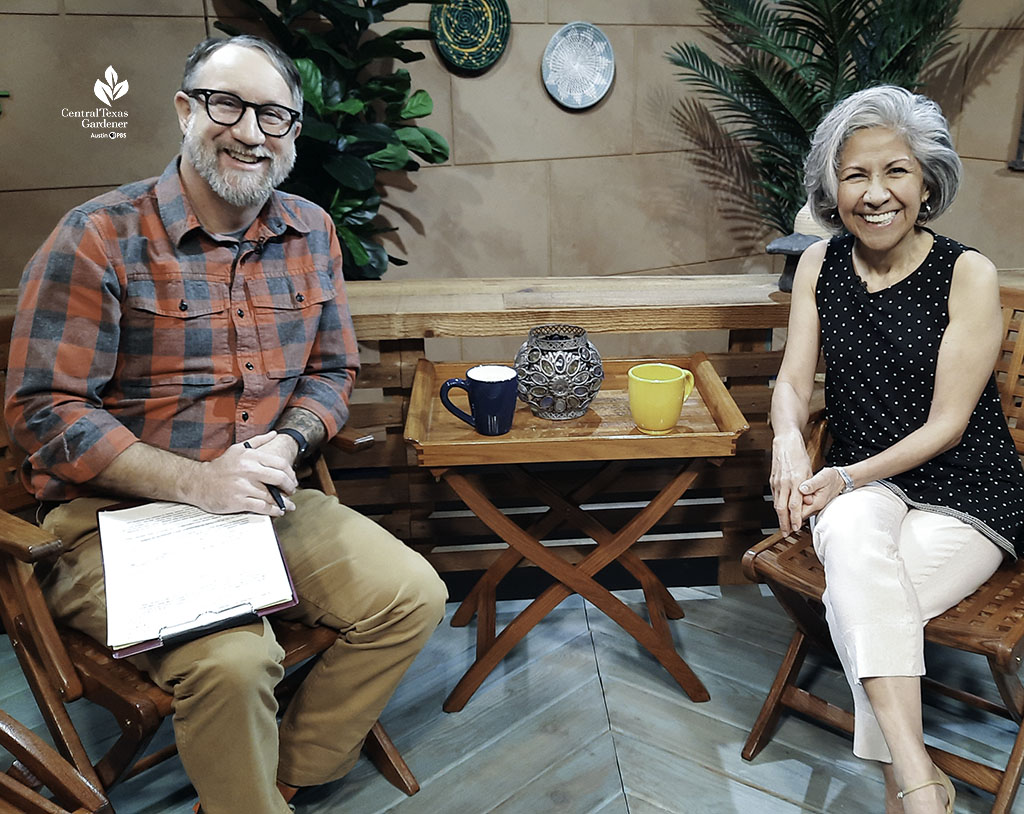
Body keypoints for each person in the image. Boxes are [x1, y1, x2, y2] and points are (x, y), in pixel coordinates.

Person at [4, 35, 447, 814]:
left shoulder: (311, 230)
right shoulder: (98, 236)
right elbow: (43, 413)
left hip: (260, 502)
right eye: (227, 104)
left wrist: (288, 440)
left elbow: (332, 373)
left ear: (293, 134)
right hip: (113, 521)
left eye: (273, 115)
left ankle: (278, 780)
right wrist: (195, 482)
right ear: (185, 110)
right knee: (235, 665)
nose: (250, 131)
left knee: (410, 594)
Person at [770, 85, 1024, 814]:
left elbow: (949, 423)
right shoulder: (821, 264)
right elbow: (791, 382)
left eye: (896, 172)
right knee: (857, 551)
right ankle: (921, 783)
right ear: (832, 186)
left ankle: (904, 786)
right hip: (864, 488)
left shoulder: (966, 273)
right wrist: (789, 439)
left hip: (967, 489)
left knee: (863, 597)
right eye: (855, 175)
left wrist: (842, 475)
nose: (875, 194)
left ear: (927, 180)